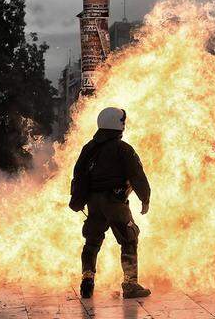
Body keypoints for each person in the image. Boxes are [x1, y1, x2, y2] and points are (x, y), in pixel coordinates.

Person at [74, 107, 152, 299]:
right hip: (115, 202)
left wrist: (78, 200)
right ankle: (130, 284)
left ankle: (87, 279)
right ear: (118, 124)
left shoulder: (89, 148)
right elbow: (137, 175)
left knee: (92, 241)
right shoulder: (123, 149)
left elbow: (78, 175)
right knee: (129, 238)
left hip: (93, 202)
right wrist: (145, 198)